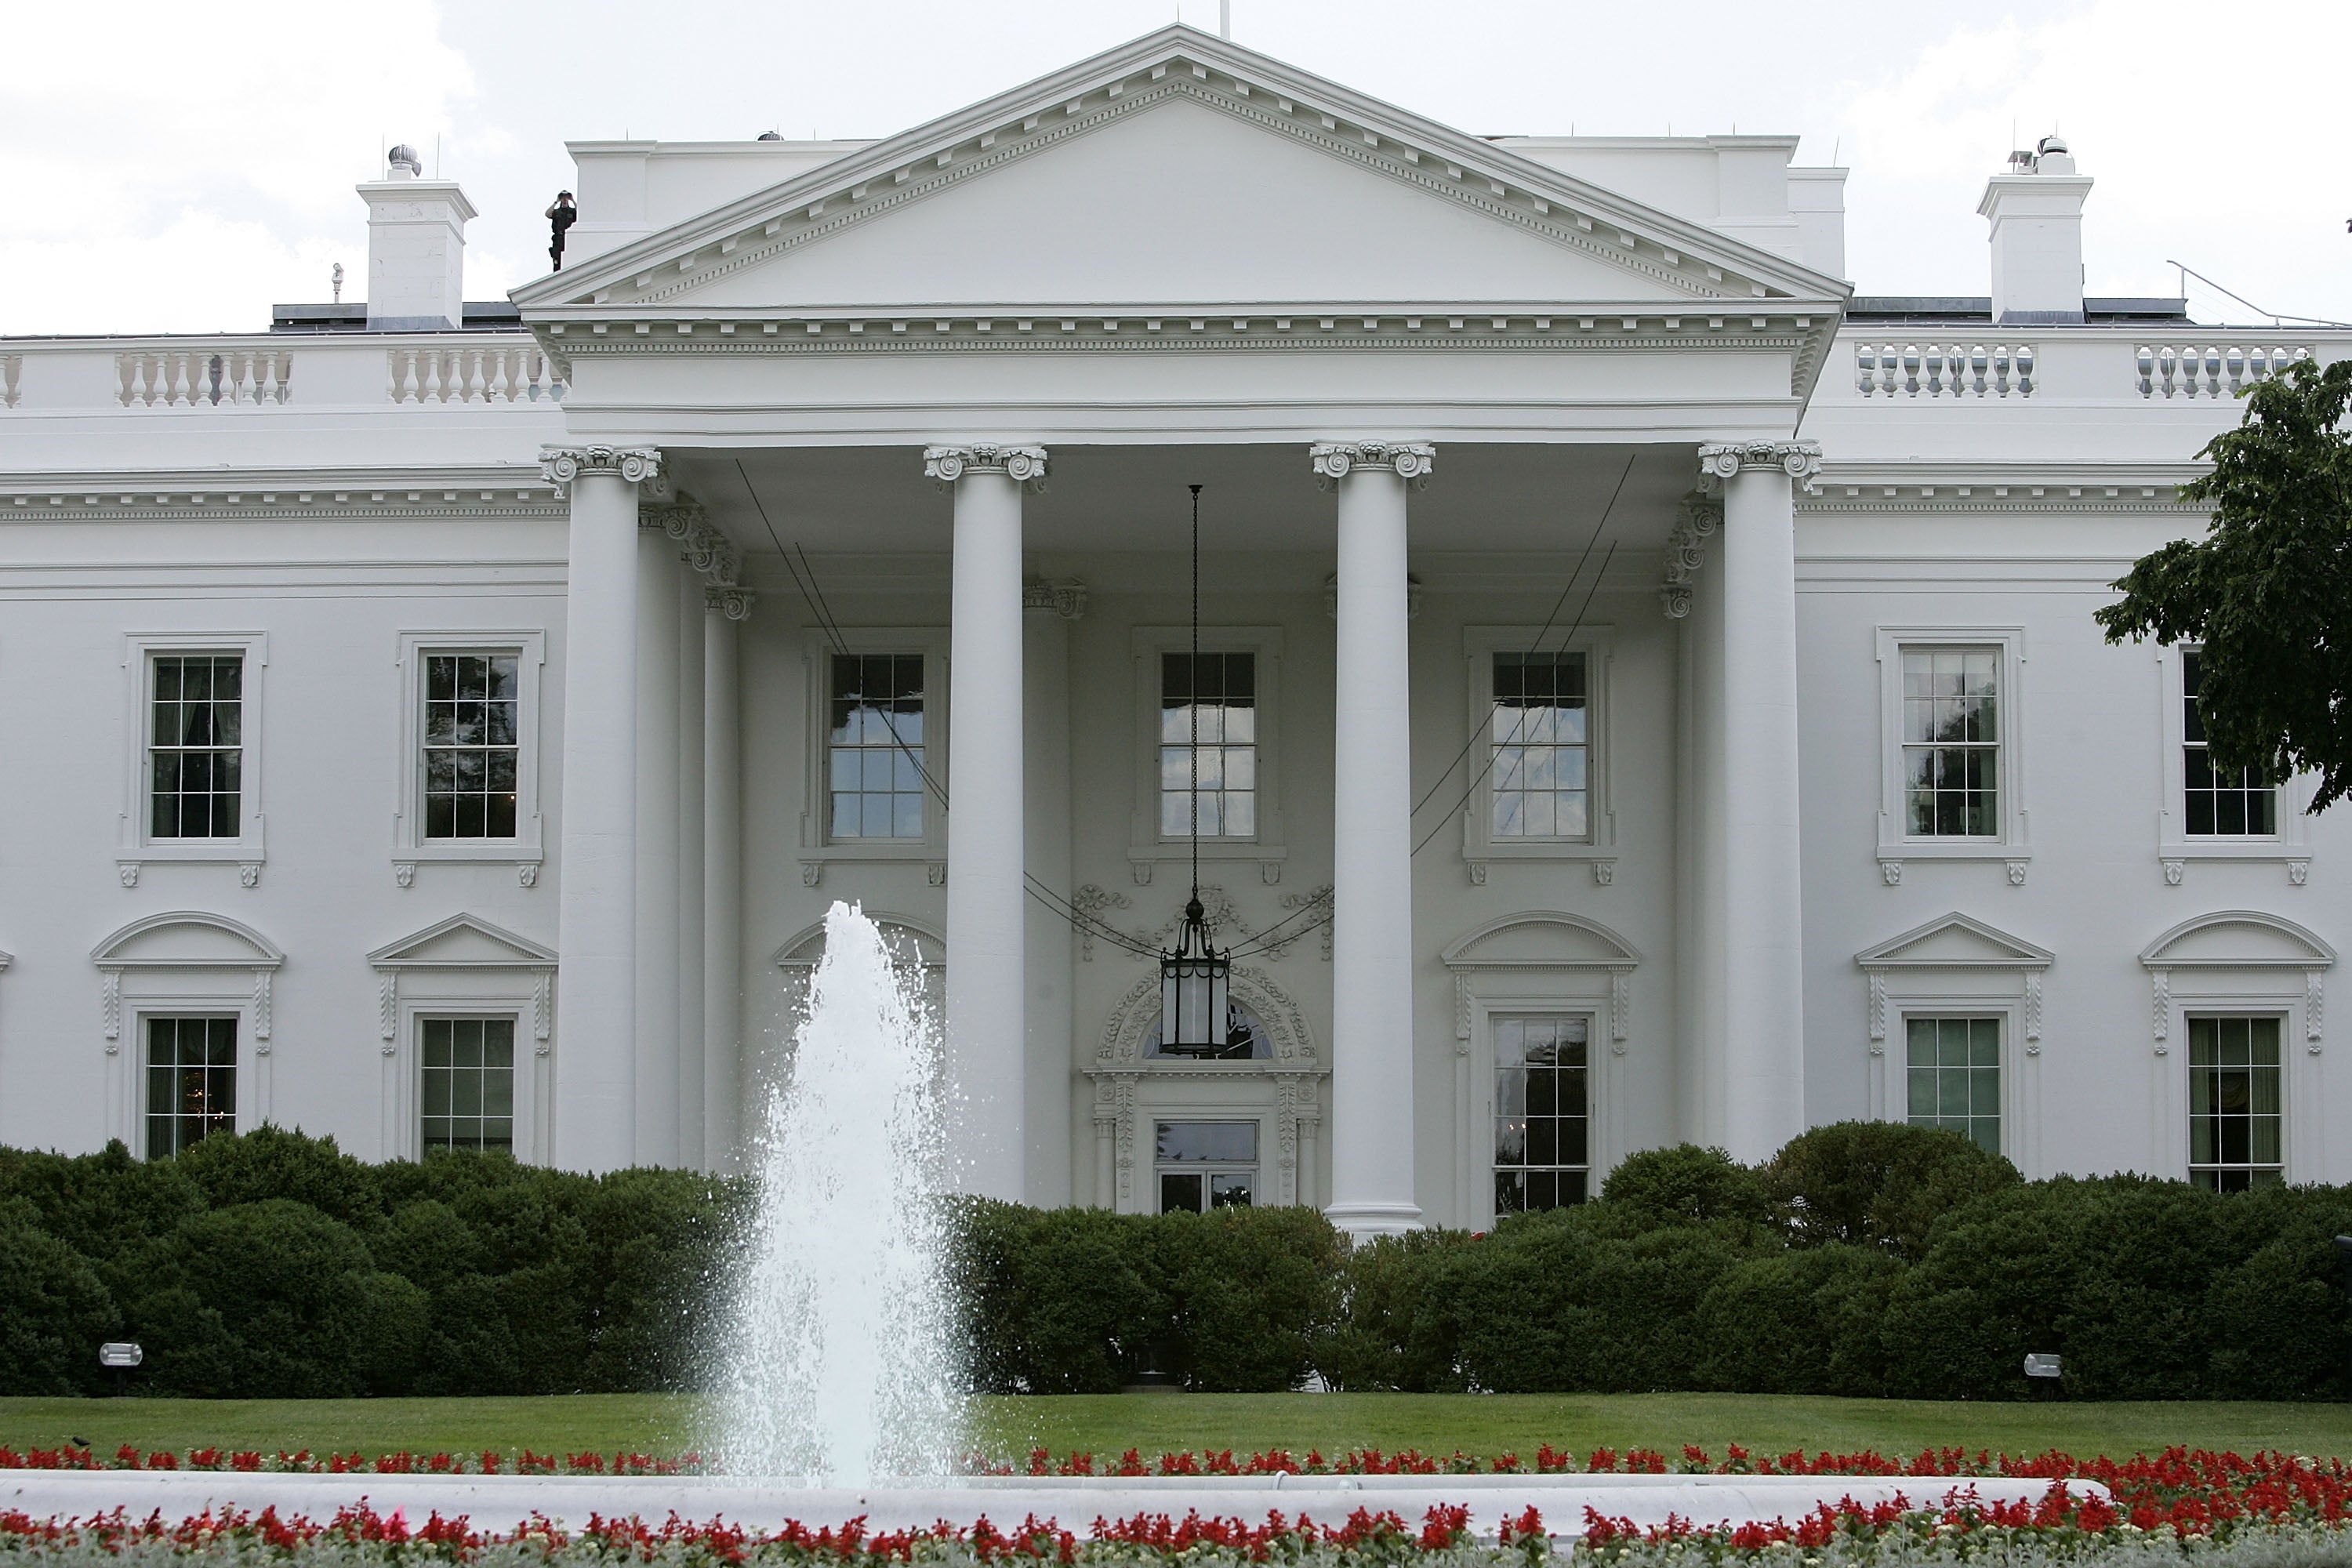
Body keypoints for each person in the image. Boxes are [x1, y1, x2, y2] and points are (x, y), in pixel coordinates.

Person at [546, 191, 577, 271]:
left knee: (570, 257)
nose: (565, 199)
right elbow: (547, 214)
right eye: (563, 197)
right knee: (557, 260)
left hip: (569, 237)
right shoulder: (557, 212)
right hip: (558, 238)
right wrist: (556, 201)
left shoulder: (572, 211)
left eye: (567, 197)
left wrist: (573, 200)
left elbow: (581, 213)